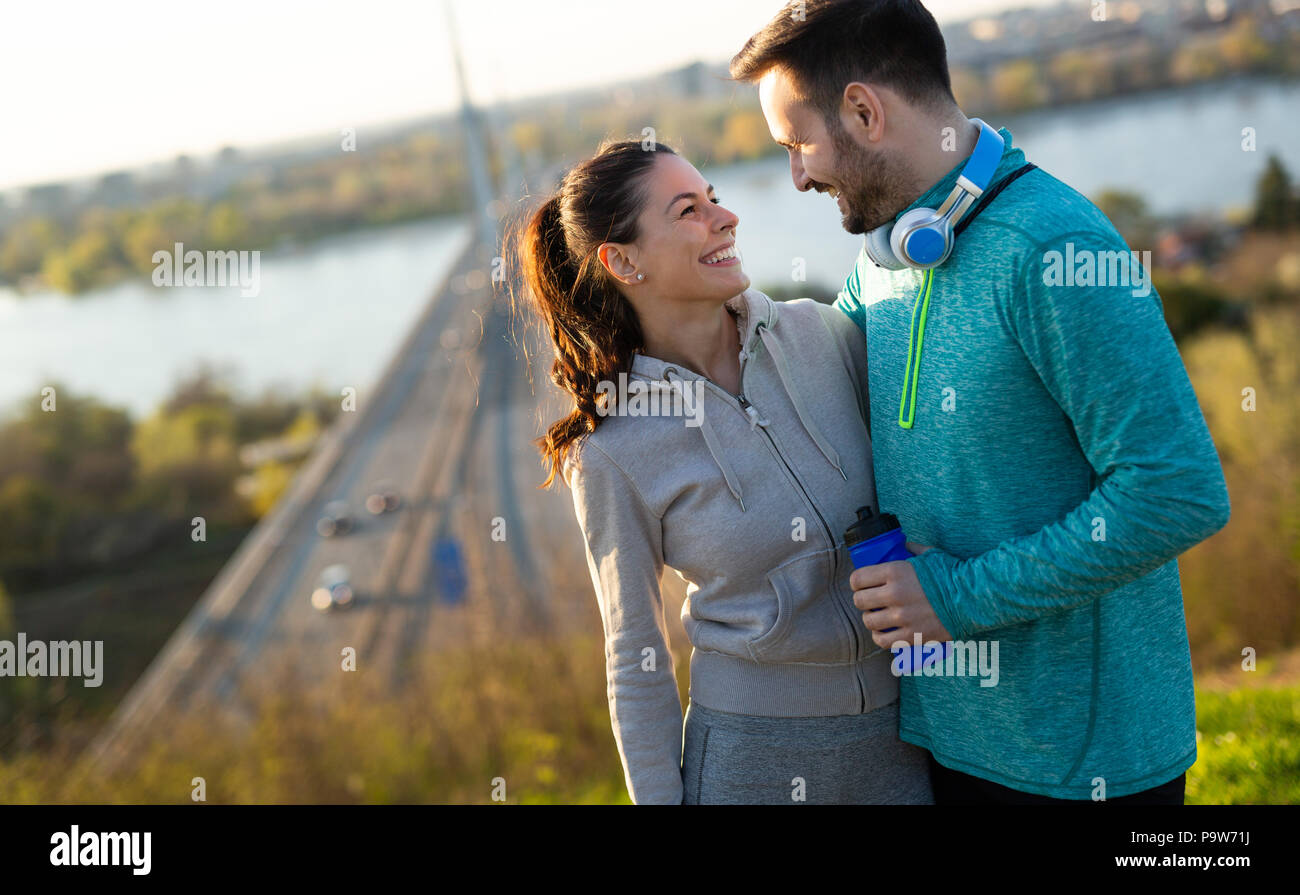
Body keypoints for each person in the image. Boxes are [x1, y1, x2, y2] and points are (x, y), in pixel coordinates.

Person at [731, 0, 1231, 803]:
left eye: (797, 145)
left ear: (864, 111)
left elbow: (1178, 491)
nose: (797, 175)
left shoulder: (1053, 250)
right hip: (948, 742)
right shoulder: (889, 257)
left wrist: (956, 598)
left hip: (1081, 764)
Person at [509, 138, 933, 804]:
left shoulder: (822, 335)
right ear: (622, 260)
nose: (724, 217)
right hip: (751, 757)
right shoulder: (613, 448)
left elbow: (935, 479)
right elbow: (634, 652)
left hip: (905, 736)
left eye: (714, 199)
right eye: (688, 211)